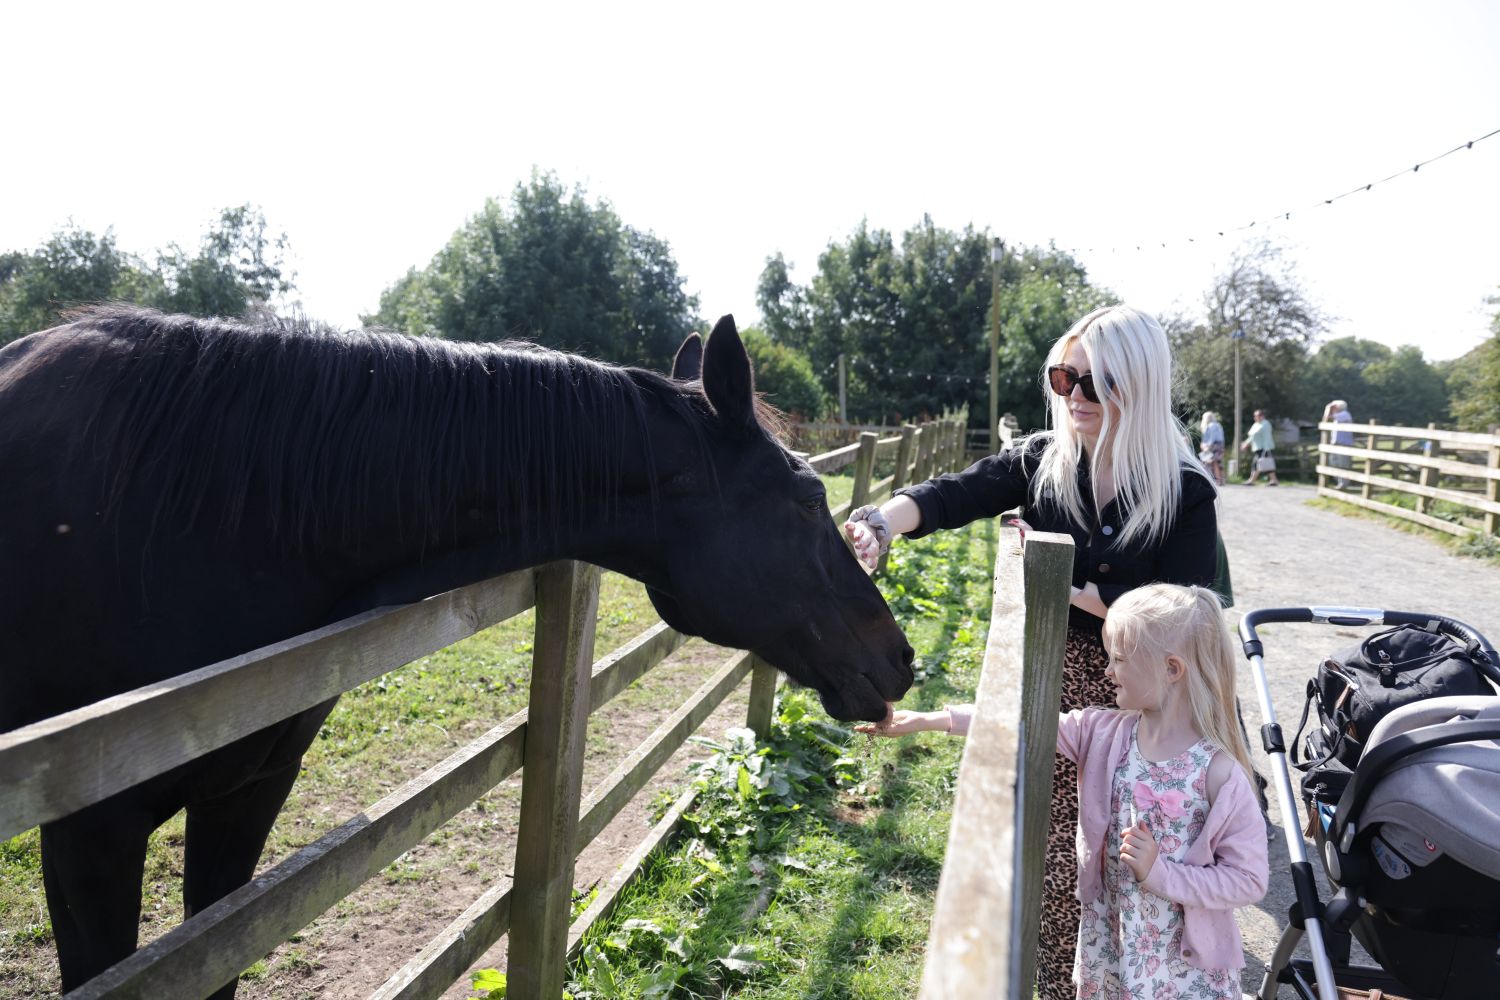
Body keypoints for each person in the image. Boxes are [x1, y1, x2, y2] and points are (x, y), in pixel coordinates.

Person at [844, 305, 1219, 1000]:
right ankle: (1053, 984)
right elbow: (954, 493)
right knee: (1052, 856)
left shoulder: (1184, 492)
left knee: (1133, 863)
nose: (1074, 396)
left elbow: (1184, 617)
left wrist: (1062, 589)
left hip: (1143, 706)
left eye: (1095, 382)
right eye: (1064, 377)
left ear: (1139, 385)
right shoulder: (1046, 461)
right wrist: (878, 524)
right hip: (1055, 683)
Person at [858, 584, 1269, 1000]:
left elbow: (1249, 881)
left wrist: (1161, 873)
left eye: (1120, 659)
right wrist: (931, 719)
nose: (1108, 670)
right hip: (1110, 945)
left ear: (1172, 669)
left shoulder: (1219, 773)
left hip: (1181, 968)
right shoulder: (1104, 734)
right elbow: (1019, 722)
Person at [1240, 409, 1279, 486]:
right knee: (1263, 465)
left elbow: (1267, 437)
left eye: (1257, 416)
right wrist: (1246, 443)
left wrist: (1266, 449)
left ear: (1262, 416)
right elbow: (1252, 437)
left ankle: (1252, 480)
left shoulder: (1265, 424)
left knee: (1258, 464)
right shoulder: (1255, 425)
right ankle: (1274, 481)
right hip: (1257, 448)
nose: (1255, 417)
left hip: (1264, 448)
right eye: (1254, 416)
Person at [1323, 399, 1354, 489]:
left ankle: (1343, 484)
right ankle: (1340, 483)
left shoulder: (1344, 414)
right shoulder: (1338, 416)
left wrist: (1328, 408)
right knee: (1334, 463)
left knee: (1343, 464)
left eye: (1334, 406)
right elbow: (1325, 420)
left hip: (1344, 444)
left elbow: (1327, 417)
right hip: (1337, 443)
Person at [1198, 410, 1225, 486]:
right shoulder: (1217, 425)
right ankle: (1221, 480)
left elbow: (1211, 438)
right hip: (1219, 445)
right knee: (1218, 462)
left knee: (1213, 462)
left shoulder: (1211, 425)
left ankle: (1217, 480)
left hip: (1213, 445)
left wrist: (1207, 447)